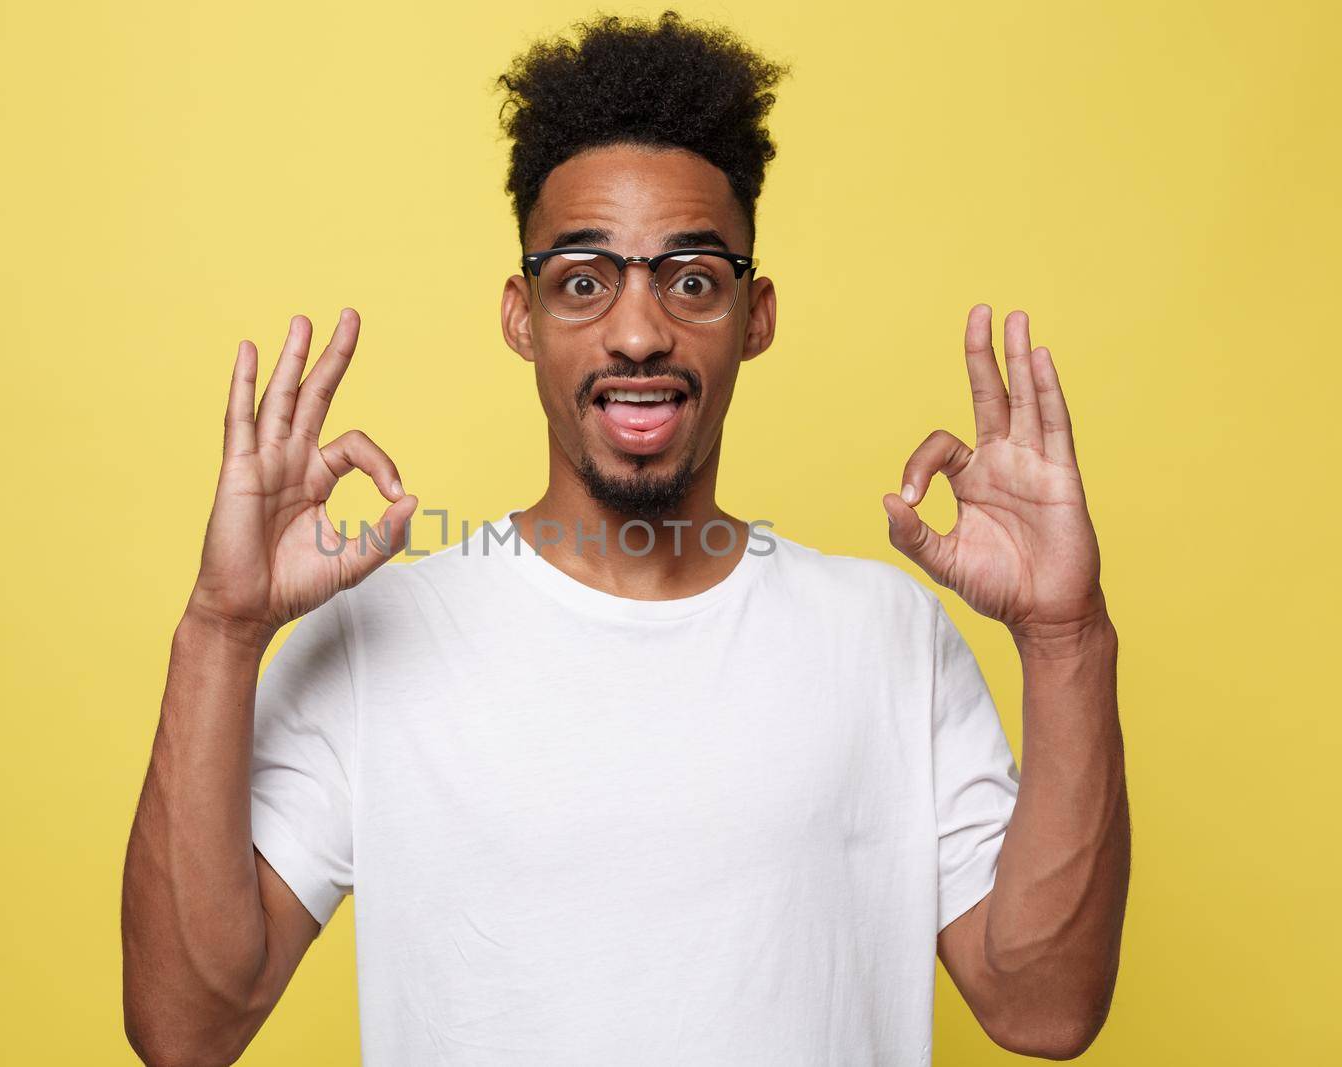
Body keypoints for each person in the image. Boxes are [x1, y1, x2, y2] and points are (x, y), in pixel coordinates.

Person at [120, 11, 1129, 1065]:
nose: (638, 332)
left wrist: (1067, 638)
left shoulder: (887, 637)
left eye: (691, 278)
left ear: (755, 315)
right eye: (584, 279)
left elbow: (1044, 1008)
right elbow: (188, 1026)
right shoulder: (382, 638)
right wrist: (219, 627)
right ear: (522, 316)